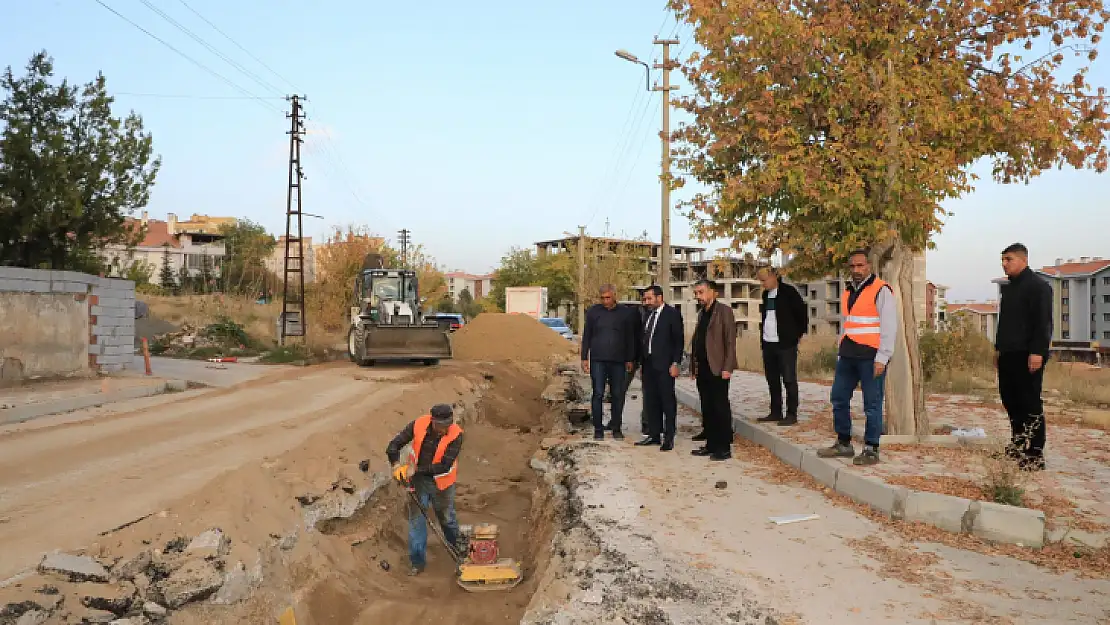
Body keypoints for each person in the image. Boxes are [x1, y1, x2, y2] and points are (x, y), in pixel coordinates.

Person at [818, 250, 898, 466]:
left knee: (872, 404)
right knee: (839, 398)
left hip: (871, 356)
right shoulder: (847, 291)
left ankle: (872, 448)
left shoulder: (881, 290)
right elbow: (848, 323)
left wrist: (883, 357)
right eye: (852, 266)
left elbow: (889, 326)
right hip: (848, 354)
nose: (856, 270)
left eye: (860, 266)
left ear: (869, 266)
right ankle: (844, 443)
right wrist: (840, 347)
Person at [383, 403, 464, 576]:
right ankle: (417, 563)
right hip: (418, 482)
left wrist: (415, 470)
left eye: (447, 425)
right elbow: (393, 445)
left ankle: (459, 552)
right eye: (442, 426)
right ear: (433, 421)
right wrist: (396, 464)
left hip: (442, 484)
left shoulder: (456, 435)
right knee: (416, 521)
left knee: (447, 518)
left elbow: (444, 465)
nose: (445, 430)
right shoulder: (418, 424)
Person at [995, 243, 1053, 471]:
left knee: (1030, 402)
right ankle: (1018, 443)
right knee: (1010, 400)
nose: (1004, 264)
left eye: (1008, 259)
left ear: (1023, 260)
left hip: (1028, 355)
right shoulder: (1009, 288)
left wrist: (1038, 352)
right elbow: (1005, 323)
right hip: (1008, 354)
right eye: (1003, 259)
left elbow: (1043, 323)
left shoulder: (1038, 287)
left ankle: (1035, 452)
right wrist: (998, 349)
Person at [581, 284, 637, 440]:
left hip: (618, 361)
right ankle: (598, 429)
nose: (605, 301)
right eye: (603, 298)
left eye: (608, 297)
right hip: (598, 360)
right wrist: (584, 357)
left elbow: (630, 337)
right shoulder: (593, 312)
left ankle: (616, 428)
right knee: (598, 393)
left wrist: (630, 358)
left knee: (617, 394)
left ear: (614, 296)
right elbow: (587, 335)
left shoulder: (625, 313)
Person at [755, 266, 809, 427]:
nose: (762, 284)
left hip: (785, 344)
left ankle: (792, 414)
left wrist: (796, 336)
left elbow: (802, 315)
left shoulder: (789, 292)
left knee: (789, 379)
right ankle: (775, 412)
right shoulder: (765, 296)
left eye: (764, 280)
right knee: (772, 379)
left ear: (773, 276)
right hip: (768, 343)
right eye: (760, 281)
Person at [690, 279, 737, 461]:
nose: (698, 296)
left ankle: (723, 448)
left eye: (700, 292)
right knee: (707, 407)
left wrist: (728, 367)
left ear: (712, 292)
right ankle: (710, 444)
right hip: (703, 368)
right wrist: (694, 367)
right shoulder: (702, 313)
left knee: (720, 407)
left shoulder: (724, 311)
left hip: (718, 368)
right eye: (696, 293)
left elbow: (730, 341)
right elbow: (698, 341)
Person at [636, 285, 685, 450]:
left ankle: (669, 437)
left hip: (665, 365)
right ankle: (654, 435)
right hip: (649, 364)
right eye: (645, 299)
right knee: (651, 401)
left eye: (649, 298)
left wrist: (675, 363)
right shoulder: (648, 315)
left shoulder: (672, 314)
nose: (647, 302)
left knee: (667, 401)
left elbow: (678, 341)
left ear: (659, 297)